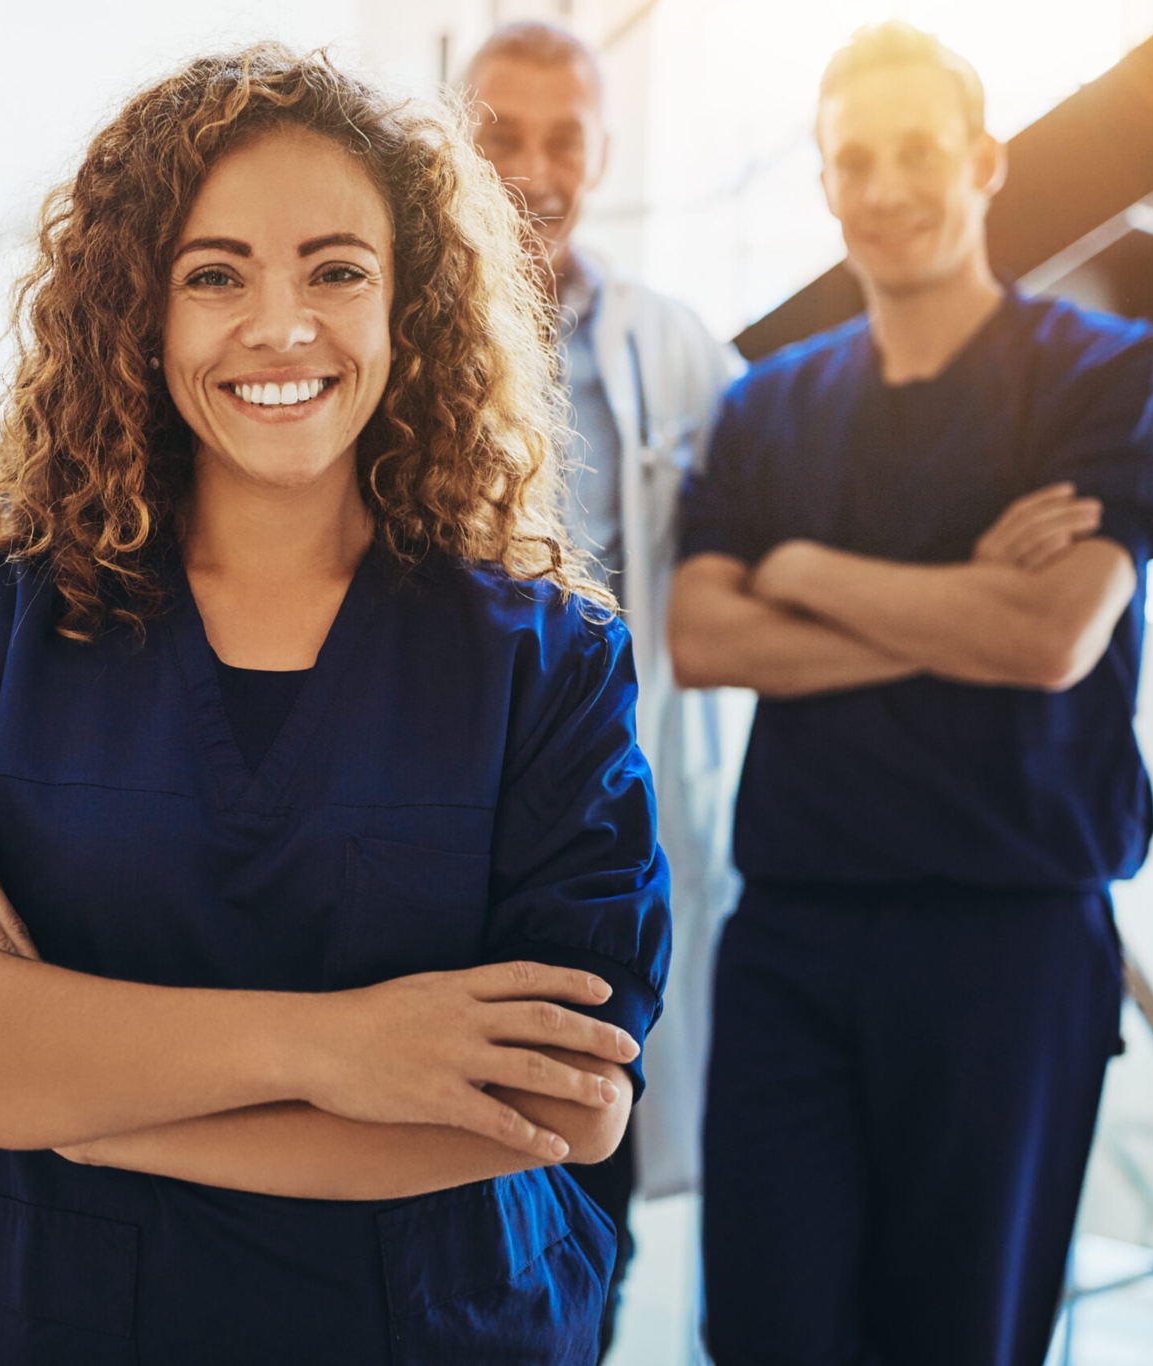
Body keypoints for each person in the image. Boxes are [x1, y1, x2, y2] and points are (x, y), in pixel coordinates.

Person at [0, 45, 669, 1364]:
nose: (279, 325)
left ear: (410, 303)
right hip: (56, 1323)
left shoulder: (543, 658)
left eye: (336, 269)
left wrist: (76, 1100)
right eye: (215, 275)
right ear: (137, 309)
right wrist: (337, 1045)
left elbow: (565, 1103)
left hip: (427, 1326)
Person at [671, 23, 1153, 1365]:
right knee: (768, 1327)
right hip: (796, 931)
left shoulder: (1101, 370)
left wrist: (800, 568)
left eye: (917, 152)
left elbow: (1051, 637)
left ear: (985, 162)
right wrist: (963, 597)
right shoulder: (769, 405)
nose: (887, 185)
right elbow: (703, 637)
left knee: (959, 1336)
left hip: (1005, 943)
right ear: (826, 185)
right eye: (856, 160)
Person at [464, 22, 743, 1354]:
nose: (532, 168)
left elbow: (755, 538)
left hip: (595, 826)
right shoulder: (386, 319)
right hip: (433, 814)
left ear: (603, 153)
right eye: (499, 133)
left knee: (587, 1178)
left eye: (563, 137)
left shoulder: (669, 345)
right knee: (445, 1174)